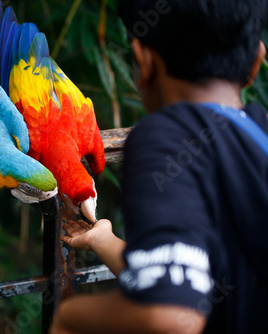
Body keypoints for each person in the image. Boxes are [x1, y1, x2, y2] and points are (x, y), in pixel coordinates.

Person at [50, 0, 268, 333]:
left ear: (143, 61)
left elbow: (169, 316)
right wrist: (103, 240)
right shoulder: (260, 136)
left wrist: (69, 318)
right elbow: (186, 281)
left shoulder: (167, 138)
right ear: (256, 61)